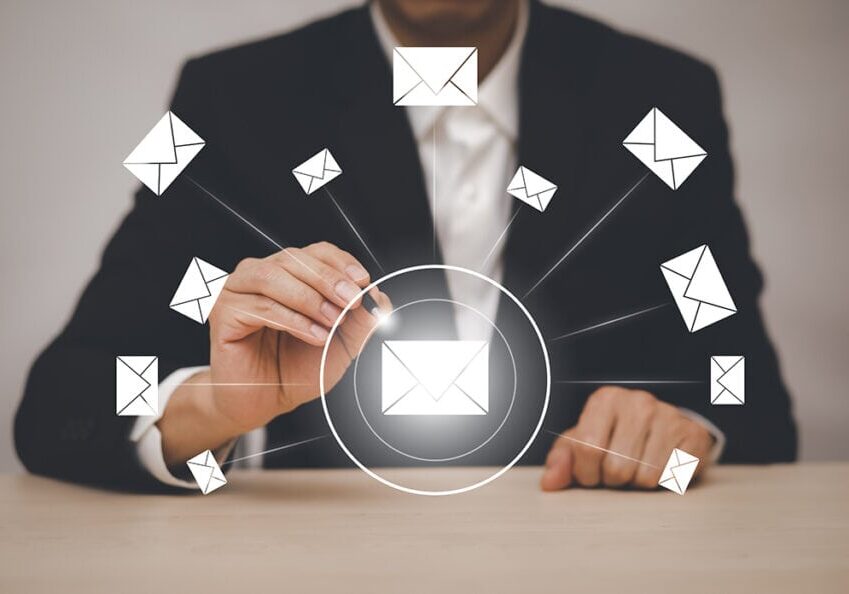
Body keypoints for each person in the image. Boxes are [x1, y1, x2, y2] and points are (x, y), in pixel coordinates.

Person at [15, 0, 797, 493]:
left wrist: (686, 434)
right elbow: (59, 405)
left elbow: (750, 402)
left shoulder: (661, 98)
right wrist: (220, 407)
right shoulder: (229, 97)